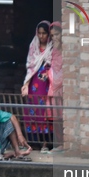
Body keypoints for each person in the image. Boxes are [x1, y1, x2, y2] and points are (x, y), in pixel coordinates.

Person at [21, 20, 53, 151]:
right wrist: (26, 84)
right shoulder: (33, 46)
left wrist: (48, 74)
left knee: (45, 111)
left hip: (47, 84)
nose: (41, 36)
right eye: (39, 33)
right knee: (33, 111)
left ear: (48, 34)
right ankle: (33, 141)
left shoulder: (52, 48)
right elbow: (30, 66)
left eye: (44, 33)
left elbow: (55, 66)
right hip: (34, 83)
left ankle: (46, 143)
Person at [47, 21, 63, 152]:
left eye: (57, 34)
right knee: (56, 117)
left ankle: (65, 142)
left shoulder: (67, 49)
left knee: (63, 115)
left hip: (63, 87)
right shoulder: (52, 50)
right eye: (52, 35)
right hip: (53, 86)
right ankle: (59, 143)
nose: (54, 38)